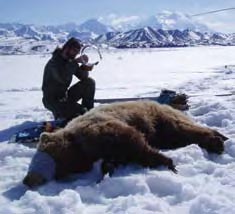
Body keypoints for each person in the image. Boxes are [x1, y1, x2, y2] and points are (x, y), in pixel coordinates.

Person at [42, 37, 95, 120]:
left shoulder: (70, 61)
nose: (75, 54)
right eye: (74, 51)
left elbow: (83, 77)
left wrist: (84, 66)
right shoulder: (54, 62)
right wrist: (75, 62)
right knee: (81, 112)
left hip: (64, 97)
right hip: (52, 100)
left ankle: (88, 111)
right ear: (67, 48)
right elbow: (61, 77)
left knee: (89, 82)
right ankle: (62, 114)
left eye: (77, 52)